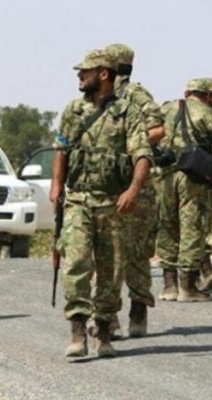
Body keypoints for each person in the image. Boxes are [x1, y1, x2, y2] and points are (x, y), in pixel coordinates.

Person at [50, 50, 153, 358]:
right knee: (77, 263)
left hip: (113, 204)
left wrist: (133, 190)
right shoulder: (73, 111)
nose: (79, 76)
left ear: (103, 75)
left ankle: (104, 328)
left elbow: (143, 155)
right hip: (79, 199)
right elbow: (61, 150)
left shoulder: (128, 112)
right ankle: (78, 329)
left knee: (112, 271)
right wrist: (56, 184)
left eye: (86, 72)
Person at [103, 43, 165, 338]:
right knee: (107, 252)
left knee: (137, 252)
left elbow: (158, 129)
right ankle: (108, 316)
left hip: (137, 186)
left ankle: (138, 312)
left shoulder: (135, 94)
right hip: (106, 187)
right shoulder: (99, 97)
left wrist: (130, 146)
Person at [156, 78, 212, 302]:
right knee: (192, 227)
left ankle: (169, 286)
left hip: (165, 175)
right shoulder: (206, 112)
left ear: (187, 92)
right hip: (193, 177)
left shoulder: (168, 108)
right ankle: (188, 287)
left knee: (168, 227)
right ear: (207, 95)